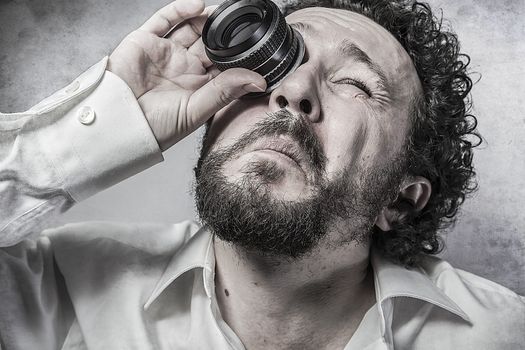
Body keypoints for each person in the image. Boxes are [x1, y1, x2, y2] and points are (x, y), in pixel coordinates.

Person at [0, 0, 523, 349]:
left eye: (357, 85)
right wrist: (110, 119)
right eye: (280, 61)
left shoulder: (500, 333)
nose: (292, 92)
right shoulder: (60, 288)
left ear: (400, 201)